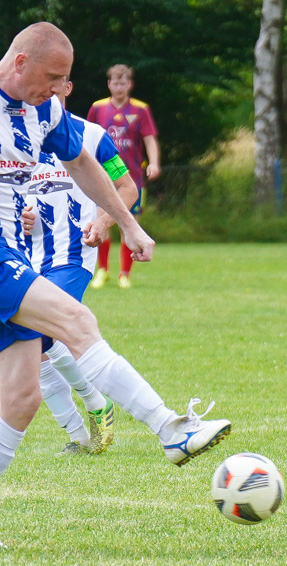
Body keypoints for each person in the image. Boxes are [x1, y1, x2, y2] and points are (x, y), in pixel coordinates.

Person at [0, 22, 229, 481]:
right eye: (52, 78)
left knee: (23, 395)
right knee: (76, 322)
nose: (58, 89)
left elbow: (82, 162)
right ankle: (169, 427)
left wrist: (128, 225)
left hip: (16, 252)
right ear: (20, 62)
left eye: (64, 79)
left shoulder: (44, 111)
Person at [24, 79, 139, 455]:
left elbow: (127, 187)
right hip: (26, 255)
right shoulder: (18, 134)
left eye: (53, 85)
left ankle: (94, 404)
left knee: (40, 333)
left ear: (68, 87)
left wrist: (104, 221)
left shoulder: (92, 134)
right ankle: (79, 434)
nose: (44, 93)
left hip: (73, 255)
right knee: (34, 346)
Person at [86, 63, 160, 289]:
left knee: (130, 224)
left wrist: (154, 163)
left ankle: (124, 274)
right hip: (103, 176)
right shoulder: (98, 108)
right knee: (101, 221)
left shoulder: (140, 109)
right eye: (115, 82)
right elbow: (87, 137)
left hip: (133, 177)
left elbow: (149, 138)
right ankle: (102, 270)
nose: (119, 87)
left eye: (123, 82)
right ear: (109, 84)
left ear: (130, 85)